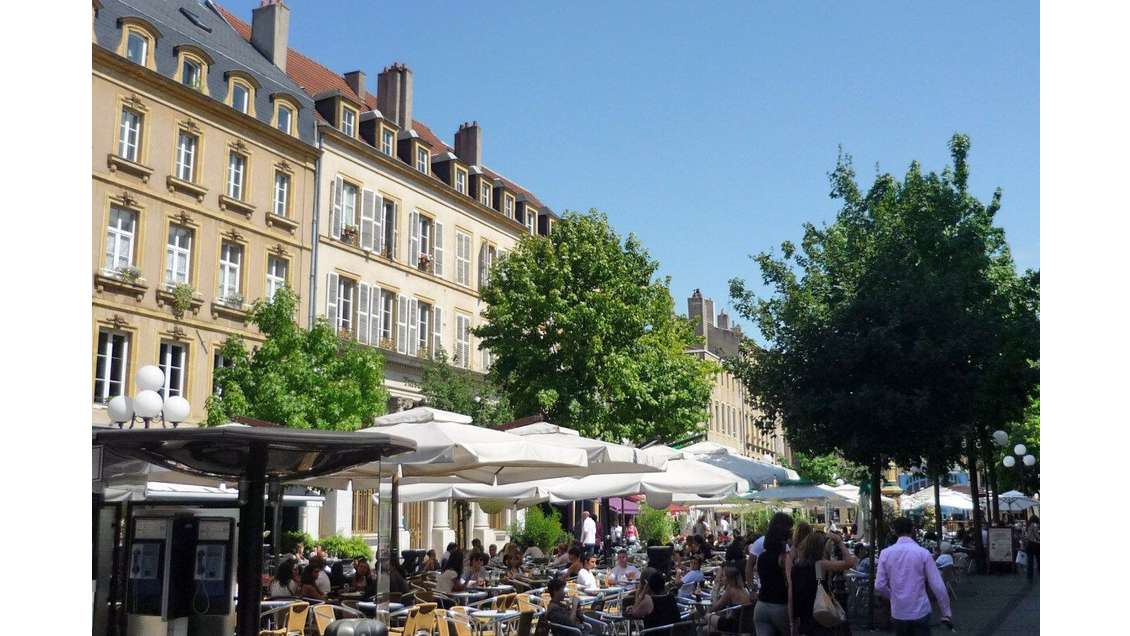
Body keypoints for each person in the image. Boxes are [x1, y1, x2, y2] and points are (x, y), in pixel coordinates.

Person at [875, 517, 953, 635]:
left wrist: (893, 596)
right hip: (920, 609)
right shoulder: (923, 553)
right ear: (912, 530)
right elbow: (937, 585)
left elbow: (879, 585)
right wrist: (946, 612)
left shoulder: (885, 553)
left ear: (894, 531)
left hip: (899, 611)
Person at [788, 531, 857, 635]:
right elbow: (850, 562)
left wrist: (792, 621)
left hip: (804, 616)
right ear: (820, 548)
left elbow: (792, 595)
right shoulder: (820, 565)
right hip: (820, 613)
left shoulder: (796, 567)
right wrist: (839, 542)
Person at [754, 512, 795, 636]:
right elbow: (790, 586)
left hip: (761, 606)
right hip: (779, 606)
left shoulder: (761, 557)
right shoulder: (783, 557)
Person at [708, 565, 753, 633]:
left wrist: (716, 587)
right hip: (744, 625)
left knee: (706, 615)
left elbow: (716, 607)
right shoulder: (744, 589)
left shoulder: (730, 590)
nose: (721, 578)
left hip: (733, 625)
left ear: (729, 579)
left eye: (723, 576)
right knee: (706, 629)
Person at [1024, 515, 1040, 582]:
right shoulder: (1035, 525)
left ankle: (1030, 576)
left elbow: (1026, 536)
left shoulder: (1028, 525)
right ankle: (1039, 572)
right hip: (1035, 544)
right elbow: (1036, 535)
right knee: (1039, 559)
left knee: (1030, 562)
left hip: (1029, 545)